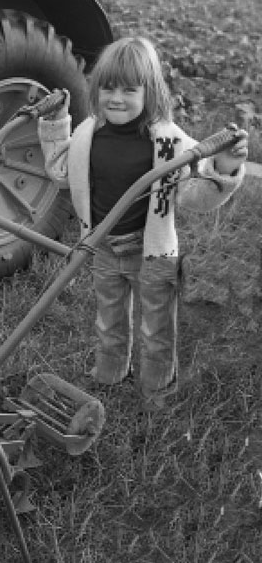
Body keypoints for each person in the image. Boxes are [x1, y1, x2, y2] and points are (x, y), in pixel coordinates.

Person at [37, 36, 248, 410]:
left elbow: (196, 196)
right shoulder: (87, 134)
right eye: (108, 88)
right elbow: (60, 172)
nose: (116, 98)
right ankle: (110, 372)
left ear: (150, 92)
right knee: (108, 319)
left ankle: (156, 388)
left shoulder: (169, 142)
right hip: (102, 246)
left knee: (156, 326)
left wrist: (225, 166)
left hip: (151, 253)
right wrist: (56, 124)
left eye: (129, 90)